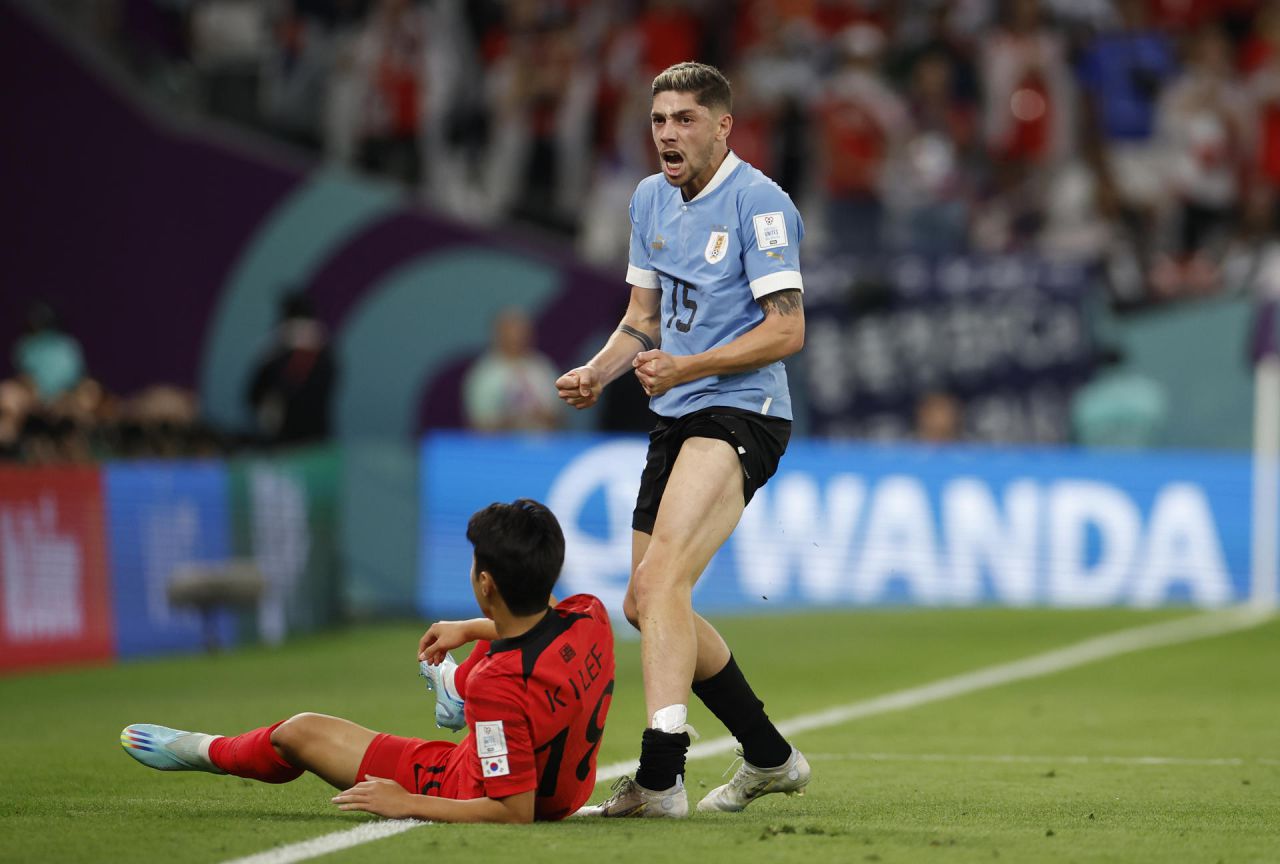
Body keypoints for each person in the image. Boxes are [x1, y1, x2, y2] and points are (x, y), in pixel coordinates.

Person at [555, 61, 809, 818]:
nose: (668, 132)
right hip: (675, 412)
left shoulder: (761, 204)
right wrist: (601, 372)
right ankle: (768, 756)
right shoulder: (647, 199)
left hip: (743, 411)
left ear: (722, 126)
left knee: (663, 579)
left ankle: (661, 775)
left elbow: (788, 329)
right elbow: (643, 315)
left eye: (685, 119)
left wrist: (690, 365)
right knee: (643, 601)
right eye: (659, 119)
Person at [120, 499, 616, 824]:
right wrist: (469, 627)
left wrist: (406, 802)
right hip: (567, 784)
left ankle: (206, 750)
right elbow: (533, 626)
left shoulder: (497, 686)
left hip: (465, 782)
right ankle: (455, 690)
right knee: (507, 649)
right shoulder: (590, 613)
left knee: (298, 732)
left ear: (485, 583)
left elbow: (514, 812)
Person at [462, 308, 563, 433]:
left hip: (540, 447)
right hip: (496, 448)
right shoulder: (484, 373)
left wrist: (539, 415)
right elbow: (477, 422)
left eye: (520, 330)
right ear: (498, 333)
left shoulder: (542, 368)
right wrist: (512, 421)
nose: (516, 336)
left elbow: (559, 416)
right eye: (510, 330)